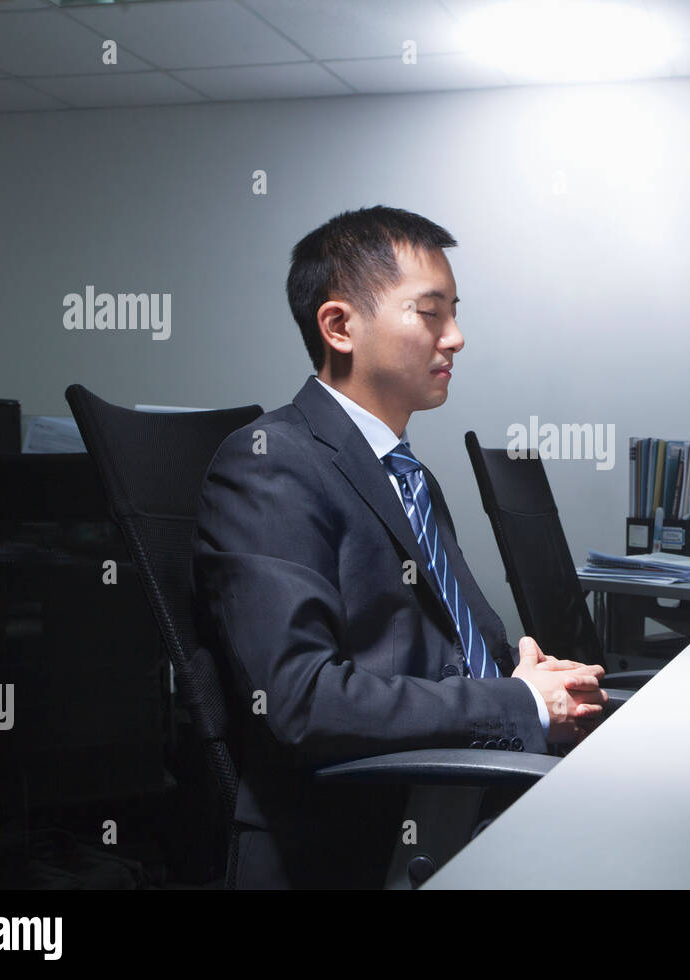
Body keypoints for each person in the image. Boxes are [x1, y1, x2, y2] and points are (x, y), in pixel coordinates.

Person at [192, 205, 607, 887]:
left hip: (458, 795)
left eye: (455, 314)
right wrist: (521, 704)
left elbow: (438, 650)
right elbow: (300, 701)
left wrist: (526, 675)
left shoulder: (407, 475)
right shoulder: (269, 463)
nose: (456, 338)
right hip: (369, 838)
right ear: (339, 327)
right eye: (430, 313)